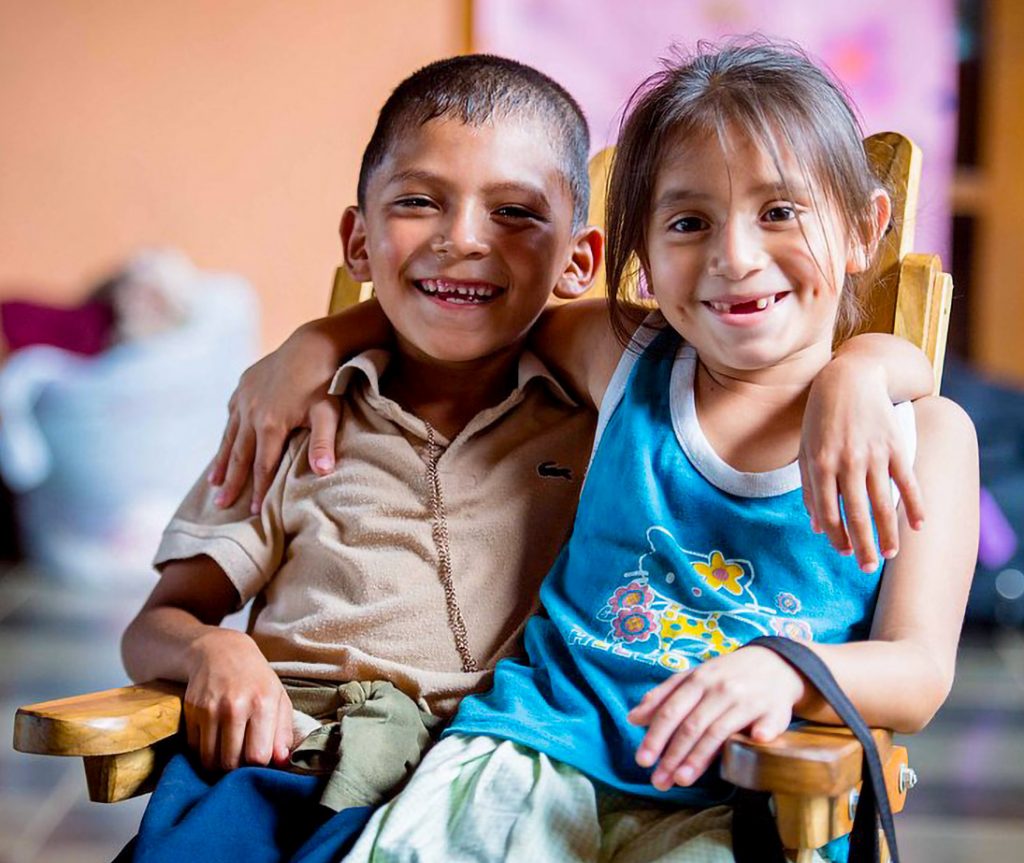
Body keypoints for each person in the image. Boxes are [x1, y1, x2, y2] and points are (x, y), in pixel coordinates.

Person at [126, 49, 935, 863]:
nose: (735, 256)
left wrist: (864, 367)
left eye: (780, 211)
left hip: (735, 785)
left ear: (867, 229)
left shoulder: (910, 434)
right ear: (643, 265)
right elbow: (478, 316)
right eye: (689, 222)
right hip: (524, 754)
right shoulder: (627, 366)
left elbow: (921, 668)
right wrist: (320, 341)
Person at [117, 54, 602, 862]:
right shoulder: (287, 424)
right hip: (288, 767)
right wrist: (214, 648)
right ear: (358, 239)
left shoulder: (597, 429)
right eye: (418, 202)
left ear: (577, 262)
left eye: (515, 212)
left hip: (493, 786)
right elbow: (155, 625)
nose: (462, 239)